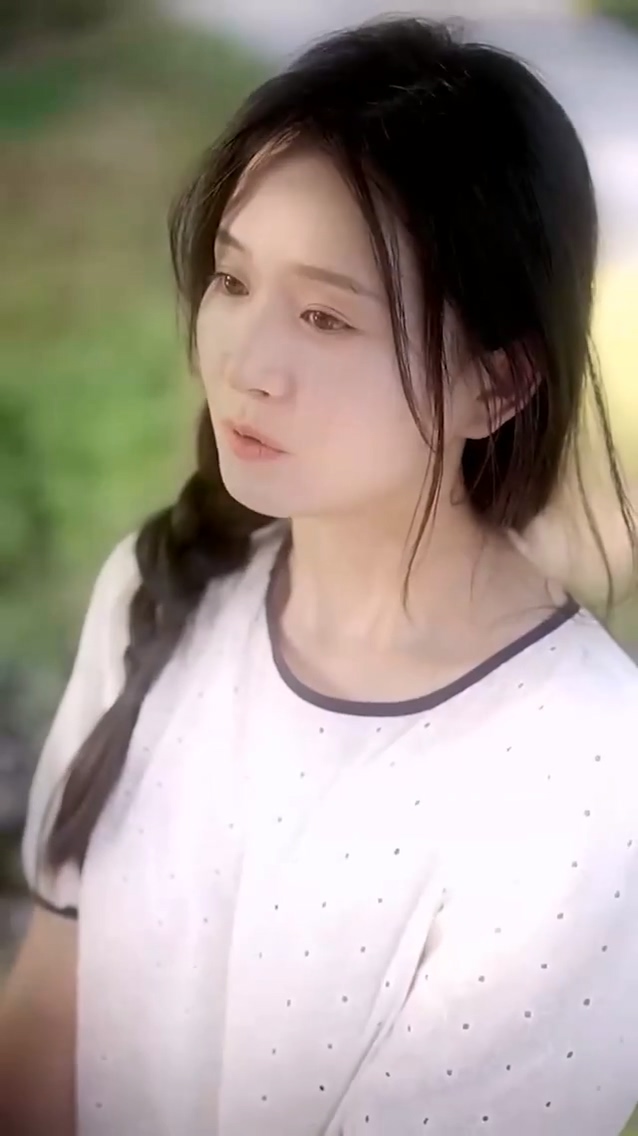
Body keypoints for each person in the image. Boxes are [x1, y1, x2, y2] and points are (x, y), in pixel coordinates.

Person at [1, 15, 638, 1136]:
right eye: (232, 279)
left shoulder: (583, 778)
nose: (245, 362)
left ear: (495, 387)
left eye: (324, 316)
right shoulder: (160, 587)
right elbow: (48, 1021)